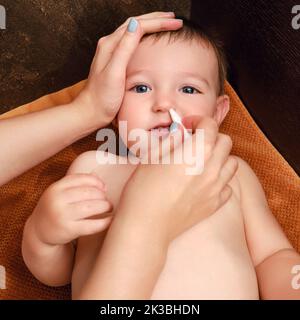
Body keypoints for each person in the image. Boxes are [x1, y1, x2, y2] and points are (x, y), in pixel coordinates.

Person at [22, 13, 300, 299]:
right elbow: (59, 275)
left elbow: (273, 255)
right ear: (115, 109)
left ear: (217, 113)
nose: (164, 103)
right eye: (141, 88)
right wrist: (43, 236)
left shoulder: (231, 171)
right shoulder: (96, 167)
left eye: (188, 89)